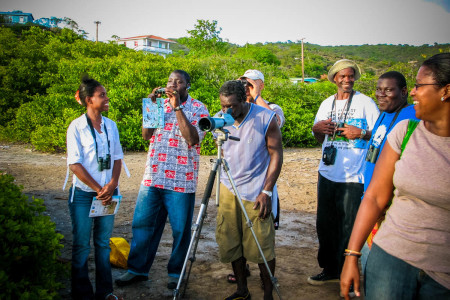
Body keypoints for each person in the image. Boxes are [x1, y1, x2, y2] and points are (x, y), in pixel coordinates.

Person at [340, 53, 450, 300]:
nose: (414, 92)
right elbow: (375, 196)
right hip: (391, 255)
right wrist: (352, 254)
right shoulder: (407, 131)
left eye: (420, 86)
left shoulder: (406, 114)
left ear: (446, 90)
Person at [115, 70, 209, 290]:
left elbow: (193, 139)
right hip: (153, 176)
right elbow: (146, 135)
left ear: (188, 86)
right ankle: (137, 270)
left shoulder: (198, 108)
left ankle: (176, 273)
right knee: (142, 225)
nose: (173, 85)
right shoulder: (159, 105)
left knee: (180, 230)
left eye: (178, 82)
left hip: (181, 180)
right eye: (170, 81)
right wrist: (150, 106)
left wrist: (177, 107)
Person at [309, 59, 379, 286]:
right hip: (327, 172)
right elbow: (319, 138)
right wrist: (317, 129)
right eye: (343, 76)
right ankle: (329, 269)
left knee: (348, 225)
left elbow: (379, 135)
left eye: (351, 76)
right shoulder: (326, 103)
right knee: (325, 224)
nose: (347, 80)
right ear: (334, 79)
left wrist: (360, 133)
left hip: (354, 175)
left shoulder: (365, 103)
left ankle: (345, 271)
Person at [215, 80, 283, 300]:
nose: (227, 111)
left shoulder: (265, 117)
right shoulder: (220, 118)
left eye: (232, 106)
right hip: (228, 188)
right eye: (224, 106)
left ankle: (268, 294)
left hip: (257, 191)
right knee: (231, 240)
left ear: (244, 99)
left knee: (262, 245)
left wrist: (267, 191)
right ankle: (242, 290)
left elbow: (276, 155)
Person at [66, 76, 124, 300]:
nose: (107, 98)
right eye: (102, 95)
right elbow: (74, 163)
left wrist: (112, 184)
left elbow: (117, 157)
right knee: (81, 244)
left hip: (109, 192)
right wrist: (100, 188)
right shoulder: (77, 127)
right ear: (89, 100)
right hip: (83, 194)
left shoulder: (111, 125)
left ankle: (105, 292)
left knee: (102, 244)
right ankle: (82, 294)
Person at [360, 71, 419, 269]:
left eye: (388, 90)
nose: (381, 94)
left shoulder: (412, 118)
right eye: (378, 89)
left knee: (382, 271)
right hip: (372, 201)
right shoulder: (384, 114)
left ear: (404, 92)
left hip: (389, 209)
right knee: (369, 267)